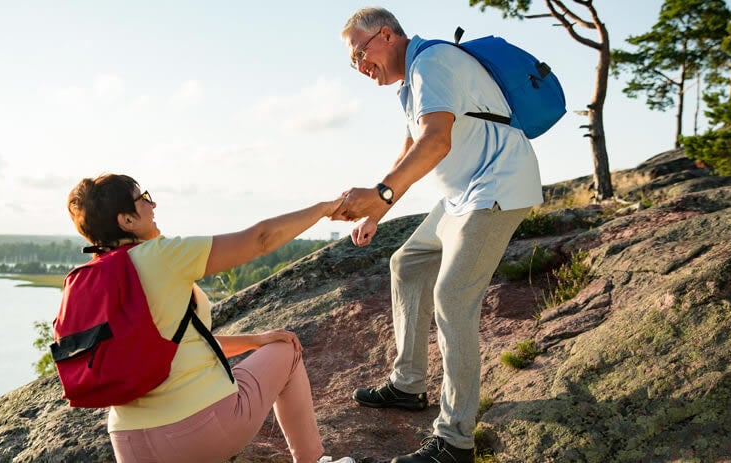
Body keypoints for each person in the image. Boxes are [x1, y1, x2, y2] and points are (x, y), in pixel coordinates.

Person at [334, 7, 544, 463]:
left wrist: (382, 194)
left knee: (452, 296)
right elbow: (411, 145)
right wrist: (377, 208)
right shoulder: (412, 81)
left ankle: (455, 440)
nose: (358, 66)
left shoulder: (432, 62)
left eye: (358, 53)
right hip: (462, 197)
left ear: (385, 36)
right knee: (407, 262)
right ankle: (408, 385)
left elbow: (436, 141)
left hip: (497, 188)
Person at [66, 174, 354, 463]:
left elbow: (170, 348)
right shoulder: (163, 255)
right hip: (199, 433)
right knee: (287, 350)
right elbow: (261, 239)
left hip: (128, 444)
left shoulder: (92, 279)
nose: (153, 205)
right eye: (143, 199)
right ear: (126, 221)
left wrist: (255, 340)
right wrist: (324, 208)